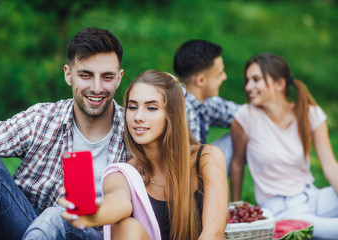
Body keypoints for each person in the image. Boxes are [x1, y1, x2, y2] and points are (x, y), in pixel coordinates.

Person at [0, 27, 129, 240]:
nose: (97, 88)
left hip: (90, 235)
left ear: (119, 78)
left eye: (107, 77)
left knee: (58, 216)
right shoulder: (43, 118)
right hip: (29, 229)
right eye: (85, 75)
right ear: (68, 74)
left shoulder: (133, 130)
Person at [57, 70, 229, 239]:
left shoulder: (207, 158)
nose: (138, 117)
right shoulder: (124, 173)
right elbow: (119, 202)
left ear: (172, 114)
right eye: (132, 107)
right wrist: (94, 214)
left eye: (151, 108)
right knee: (127, 227)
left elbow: (213, 233)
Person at [230, 53, 338, 239]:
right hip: (281, 211)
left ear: (280, 84)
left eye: (256, 80)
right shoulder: (245, 117)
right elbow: (237, 163)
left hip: (313, 197)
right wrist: (235, 208)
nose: (248, 87)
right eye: (247, 81)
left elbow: (330, 166)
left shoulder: (310, 114)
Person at [173, 39, 240, 174]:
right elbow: (183, 167)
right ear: (201, 80)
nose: (224, 77)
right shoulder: (181, 107)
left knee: (243, 129)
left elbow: (242, 114)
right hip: (178, 180)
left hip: (195, 169)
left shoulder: (203, 100)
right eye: (220, 73)